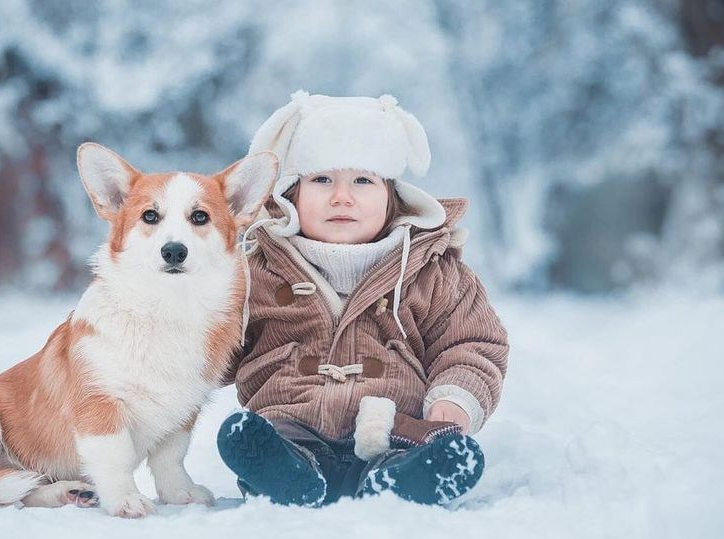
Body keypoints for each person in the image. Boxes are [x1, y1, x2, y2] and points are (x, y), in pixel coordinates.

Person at [217, 91, 509, 507]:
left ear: (391, 194)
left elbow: (471, 344)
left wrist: (453, 398)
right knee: (266, 436)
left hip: (389, 427)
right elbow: (211, 345)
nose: (342, 197)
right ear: (291, 193)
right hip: (290, 421)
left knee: (406, 453)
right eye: (321, 180)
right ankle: (285, 473)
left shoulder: (432, 269)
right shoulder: (256, 270)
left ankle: (400, 480)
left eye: (362, 181)